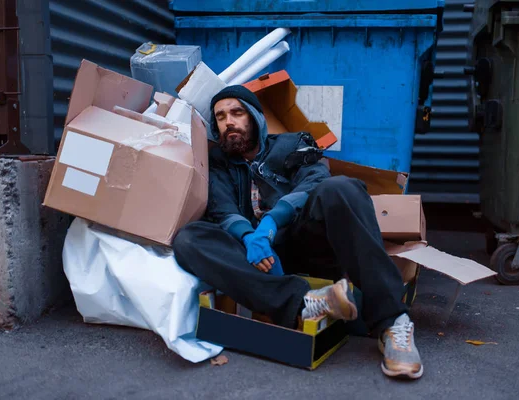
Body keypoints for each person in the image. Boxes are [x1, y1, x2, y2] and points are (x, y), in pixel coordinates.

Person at [173, 85, 423, 379]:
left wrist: (273, 221)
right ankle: (307, 303)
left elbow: (314, 181)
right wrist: (247, 235)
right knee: (188, 239)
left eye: (237, 112)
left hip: (306, 243)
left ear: (254, 116)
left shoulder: (293, 144)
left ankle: (392, 322)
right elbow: (222, 207)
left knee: (341, 188)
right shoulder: (216, 162)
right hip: (258, 260)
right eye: (220, 116)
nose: (228, 122)